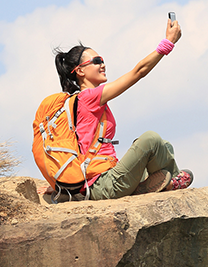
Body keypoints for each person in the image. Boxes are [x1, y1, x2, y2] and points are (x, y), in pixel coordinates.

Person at [52, 18, 192, 200]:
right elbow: (138, 72)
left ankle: (155, 185)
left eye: (102, 60)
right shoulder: (88, 97)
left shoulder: (83, 102)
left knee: (163, 146)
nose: (103, 64)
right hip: (102, 184)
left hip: (107, 176)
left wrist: (57, 186)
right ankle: (173, 182)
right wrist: (168, 43)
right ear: (80, 71)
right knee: (151, 139)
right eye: (96, 61)